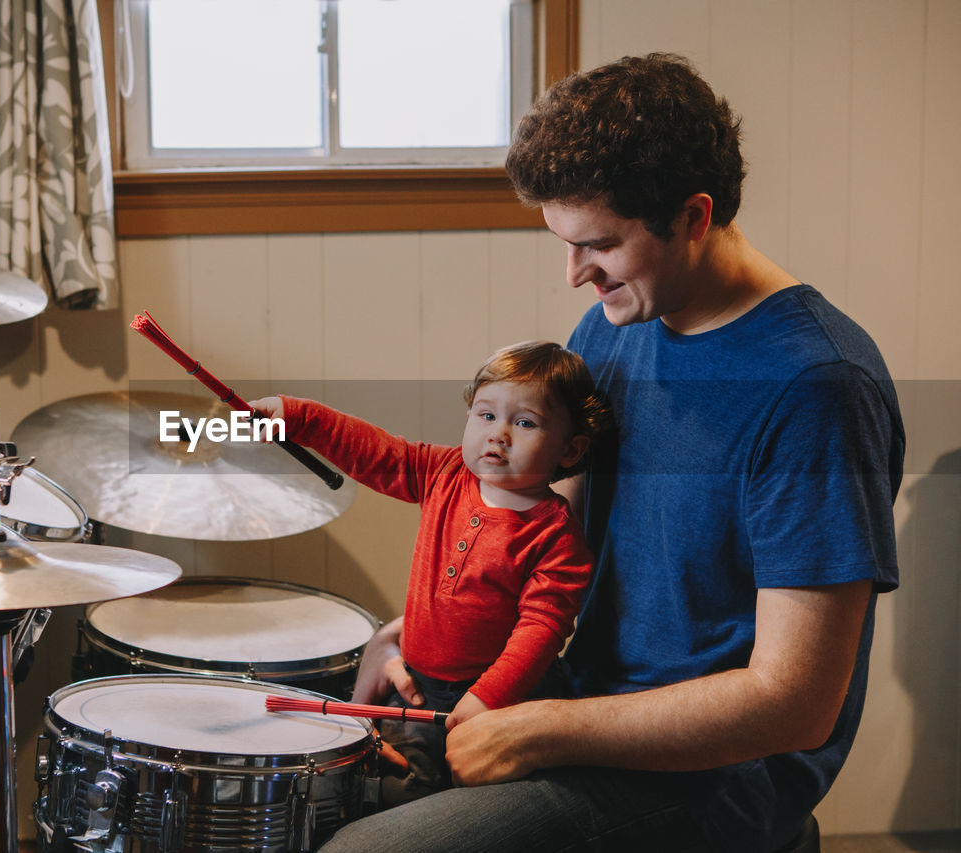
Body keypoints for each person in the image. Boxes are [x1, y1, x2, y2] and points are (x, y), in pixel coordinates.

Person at [318, 53, 905, 853]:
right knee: (332, 789)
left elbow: (796, 701)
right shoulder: (615, 325)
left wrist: (543, 731)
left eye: (597, 244)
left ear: (695, 216)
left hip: (713, 782)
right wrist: (443, 631)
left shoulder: (816, 388)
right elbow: (555, 546)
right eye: (563, 242)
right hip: (581, 697)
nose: (572, 275)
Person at [249, 340, 610, 803]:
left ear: (569, 449)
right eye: (486, 415)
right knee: (395, 790)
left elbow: (542, 628)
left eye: (524, 422)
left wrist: (488, 698)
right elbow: (372, 451)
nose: (499, 434)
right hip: (418, 687)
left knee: (480, 800)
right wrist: (296, 416)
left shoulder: (556, 535)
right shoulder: (443, 472)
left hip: (509, 695)